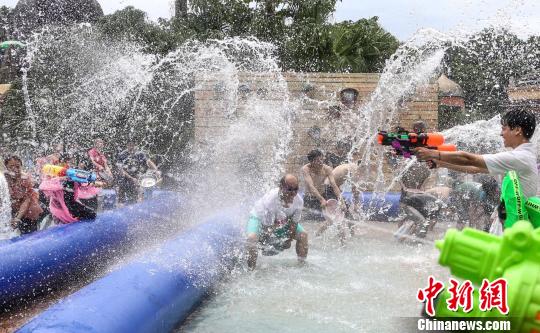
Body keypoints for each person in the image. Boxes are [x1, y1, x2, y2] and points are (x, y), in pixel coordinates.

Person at [415, 108, 538, 233]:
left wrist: (433, 153)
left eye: (504, 128)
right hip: (512, 222)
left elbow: (469, 159)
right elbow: (475, 169)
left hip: (514, 226)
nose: (501, 134)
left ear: (517, 130)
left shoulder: (520, 157)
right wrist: (440, 163)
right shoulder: (521, 156)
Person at [246, 174, 308, 270]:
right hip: (258, 218)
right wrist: (268, 246)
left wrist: (288, 240)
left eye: (296, 189)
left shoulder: (298, 201)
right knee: (252, 239)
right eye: (289, 189)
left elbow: (294, 223)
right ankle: (251, 270)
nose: (293, 193)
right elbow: (267, 229)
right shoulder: (271, 200)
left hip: (281, 221)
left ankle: (302, 267)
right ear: (281, 187)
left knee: (303, 235)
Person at [4, 155, 43, 234]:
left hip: (29, 210)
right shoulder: (3, 179)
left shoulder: (25, 178)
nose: (15, 169)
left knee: (29, 233)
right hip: (13, 207)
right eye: (11, 167)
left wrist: (18, 218)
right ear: (6, 168)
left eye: (17, 166)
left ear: (21, 166)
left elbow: (26, 200)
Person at [301, 149, 342, 219]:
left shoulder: (326, 169)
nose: (321, 162)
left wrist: (341, 201)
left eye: (321, 159)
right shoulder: (306, 169)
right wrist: (321, 200)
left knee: (334, 216)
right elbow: (311, 186)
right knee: (311, 219)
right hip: (310, 198)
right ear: (311, 162)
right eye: (317, 160)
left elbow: (334, 185)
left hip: (323, 195)